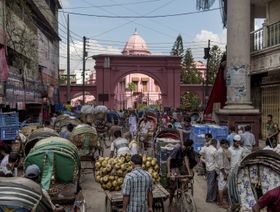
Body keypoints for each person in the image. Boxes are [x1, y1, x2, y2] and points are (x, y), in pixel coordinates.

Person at [167, 139, 196, 206]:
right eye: (190, 147)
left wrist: (189, 172)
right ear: (188, 146)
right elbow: (168, 159)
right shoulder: (177, 149)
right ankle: (170, 202)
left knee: (186, 177)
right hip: (173, 167)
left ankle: (183, 190)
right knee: (173, 186)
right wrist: (169, 172)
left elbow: (186, 161)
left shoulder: (185, 150)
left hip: (179, 167)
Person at [215, 139, 230, 208]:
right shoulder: (220, 151)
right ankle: (221, 203)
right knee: (221, 187)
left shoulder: (224, 151)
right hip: (222, 171)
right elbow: (221, 165)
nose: (226, 145)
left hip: (225, 170)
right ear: (222, 144)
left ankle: (220, 201)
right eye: (225, 144)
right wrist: (224, 174)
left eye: (227, 144)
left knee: (224, 187)